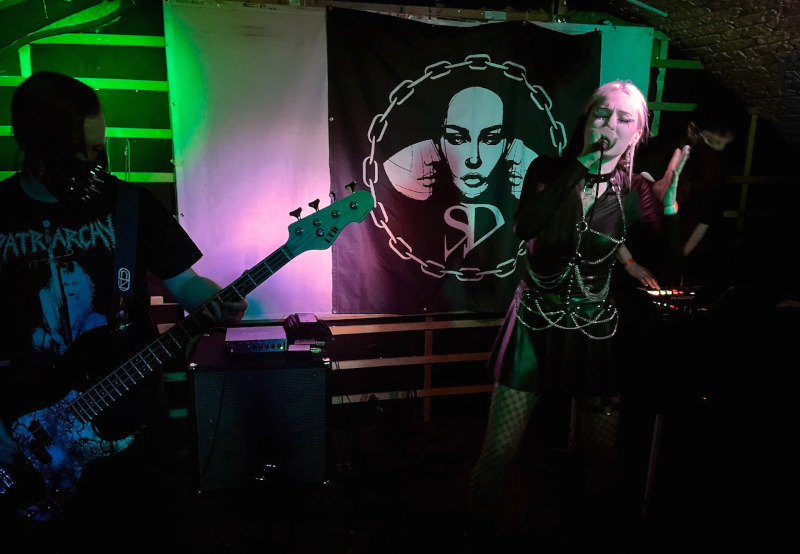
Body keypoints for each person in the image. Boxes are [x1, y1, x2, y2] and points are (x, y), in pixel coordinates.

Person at [0, 71, 248, 547]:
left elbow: (187, 283)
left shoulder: (129, 204)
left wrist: (219, 303)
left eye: (97, 150)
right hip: (31, 432)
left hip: (134, 418)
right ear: (31, 143)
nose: (91, 163)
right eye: (77, 152)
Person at [466, 80, 678, 541]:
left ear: (637, 133)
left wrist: (669, 204)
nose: (610, 124)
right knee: (499, 449)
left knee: (603, 455)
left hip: (594, 330)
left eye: (624, 118)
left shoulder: (635, 189)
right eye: (602, 113)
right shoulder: (547, 170)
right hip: (534, 324)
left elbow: (664, 258)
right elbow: (526, 226)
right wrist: (580, 166)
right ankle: (476, 533)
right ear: (587, 120)